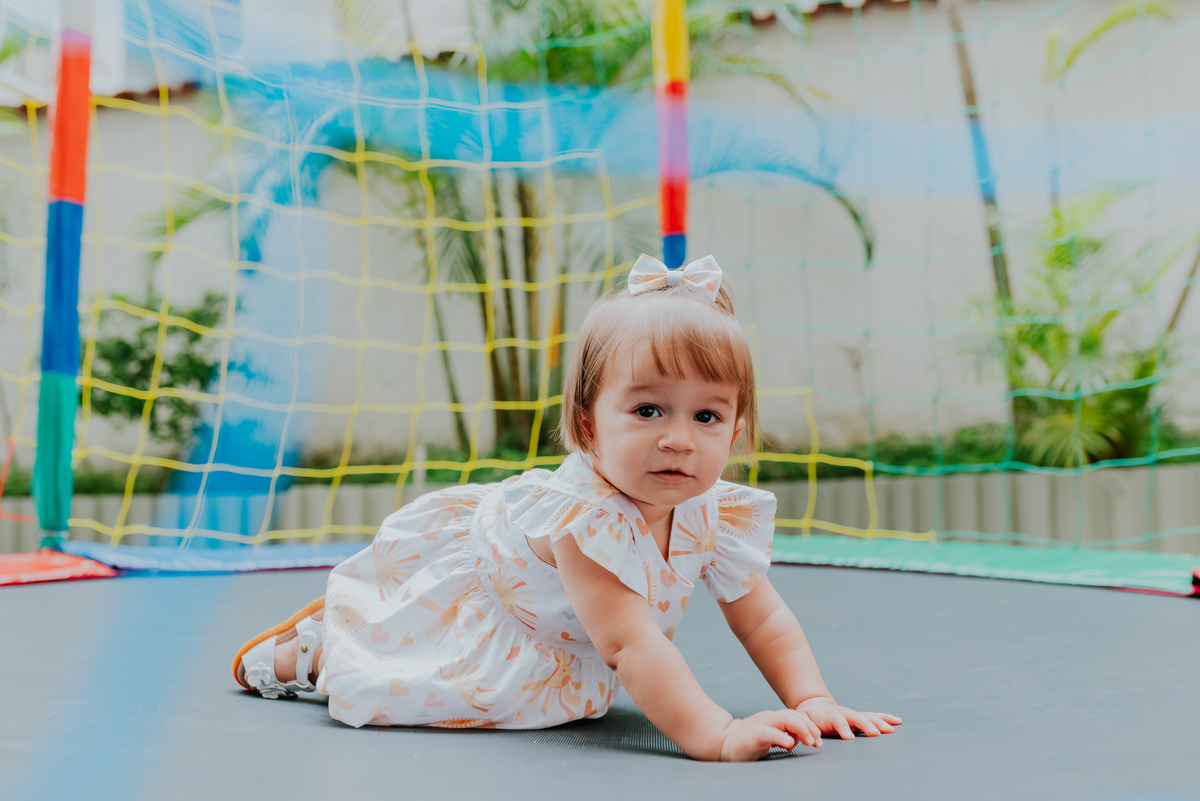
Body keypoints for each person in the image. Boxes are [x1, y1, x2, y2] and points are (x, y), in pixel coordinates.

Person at [231, 254, 901, 761]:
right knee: (411, 689)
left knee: (554, 709)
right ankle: (310, 653)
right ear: (586, 428)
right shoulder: (585, 518)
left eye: (707, 414)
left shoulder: (714, 512)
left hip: (560, 644)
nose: (677, 437)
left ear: (736, 429)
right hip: (500, 609)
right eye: (647, 409)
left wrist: (812, 698)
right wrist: (717, 732)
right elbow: (628, 642)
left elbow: (763, 618)